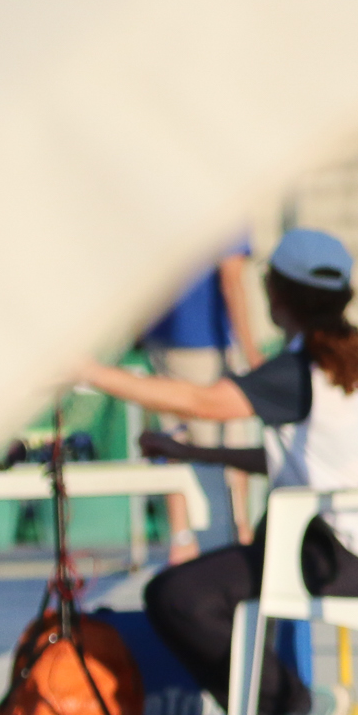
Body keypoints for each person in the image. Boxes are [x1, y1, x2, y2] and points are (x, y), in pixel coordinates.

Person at [73, 229, 358, 715]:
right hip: (351, 549)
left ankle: (290, 712)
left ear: (277, 294)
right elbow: (295, 457)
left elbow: (203, 402)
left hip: (335, 556)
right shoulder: (336, 357)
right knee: (205, 588)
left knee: (178, 597)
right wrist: (195, 453)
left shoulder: (297, 370)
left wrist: (90, 372)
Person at [138, 234, 262, 549]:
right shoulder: (228, 211)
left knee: (174, 440)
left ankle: (182, 540)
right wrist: (252, 353)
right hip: (204, 344)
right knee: (221, 449)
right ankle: (234, 536)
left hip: (160, 337)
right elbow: (231, 281)